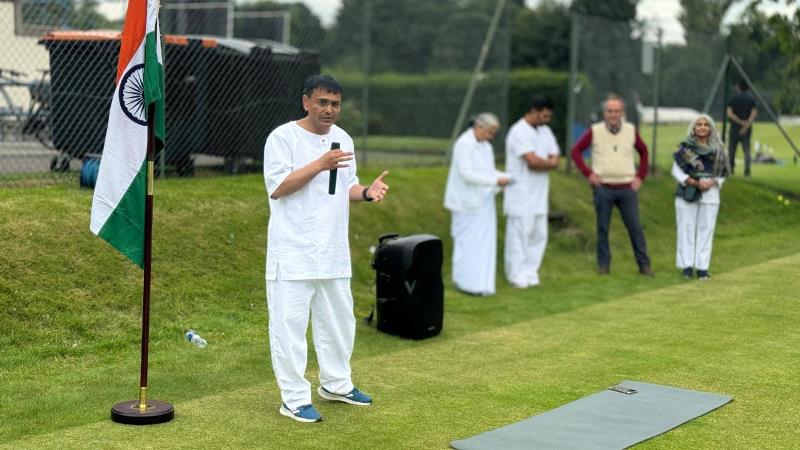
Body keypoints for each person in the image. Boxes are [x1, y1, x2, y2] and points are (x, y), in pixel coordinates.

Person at [263, 74, 389, 423]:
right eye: (322, 102)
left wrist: (366, 192)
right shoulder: (282, 138)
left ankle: (336, 384)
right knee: (289, 327)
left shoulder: (343, 138)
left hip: (332, 250)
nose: (329, 110)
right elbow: (278, 188)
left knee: (339, 321)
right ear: (306, 101)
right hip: (293, 250)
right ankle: (293, 398)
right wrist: (318, 164)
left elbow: (344, 186)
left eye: (335, 103)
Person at [570, 94, 653, 276]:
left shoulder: (631, 130)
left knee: (635, 227)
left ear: (622, 113)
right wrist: (588, 174)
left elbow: (644, 151)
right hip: (603, 188)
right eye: (609, 111)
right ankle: (603, 266)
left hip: (627, 187)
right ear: (604, 113)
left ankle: (644, 265)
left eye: (616, 111)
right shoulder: (595, 131)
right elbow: (575, 151)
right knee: (602, 228)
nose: (613, 114)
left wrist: (640, 176)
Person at [444, 113, 510, 296]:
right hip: (465, 203)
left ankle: (481, 284)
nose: (491, 137)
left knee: (483, 245)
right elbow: (466, 174)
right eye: (490, 132)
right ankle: (465, 283)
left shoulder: (486, 146)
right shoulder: (464, 144)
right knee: (466, 244)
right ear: (479, 127)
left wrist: (505, 177)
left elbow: (487, 172)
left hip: (483, 201)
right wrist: (495, 181)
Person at [503, 96, 560, 288]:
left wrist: (544, 162)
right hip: (520, 194)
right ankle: (516, 275)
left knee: (538, 235)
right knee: (519, 237)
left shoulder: (545, 131)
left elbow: (555, 159)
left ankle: (530, 272)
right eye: (544, 115)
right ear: (534, 111)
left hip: (539, 195)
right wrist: (547, 163)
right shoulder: (518, 131)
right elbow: (532, 162)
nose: (547, 119)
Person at [672, 115, 729, 280]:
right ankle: (687, 267)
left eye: (706, 124)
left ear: (710, 128)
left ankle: (702, 268)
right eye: (699, 124)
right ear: (694, 128)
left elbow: (722, 172)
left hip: (710, 195)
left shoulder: (718, 150)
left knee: (706, 229)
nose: (702, 127)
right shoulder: (684, 149)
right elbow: (677, 171)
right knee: (686, 229)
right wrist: (694, 182)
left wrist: (710, 183)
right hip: (688, 193)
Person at [726, 79, 757, 177]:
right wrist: (746, 124)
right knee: (746, 150)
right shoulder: (751, 99)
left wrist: (740, 122)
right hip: (747, 129)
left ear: (738, 87)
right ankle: (747, 171)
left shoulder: (733, 98)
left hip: (734, 128)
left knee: (732, 150)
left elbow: (730, 114)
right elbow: (753, 113)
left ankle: (731, 170)